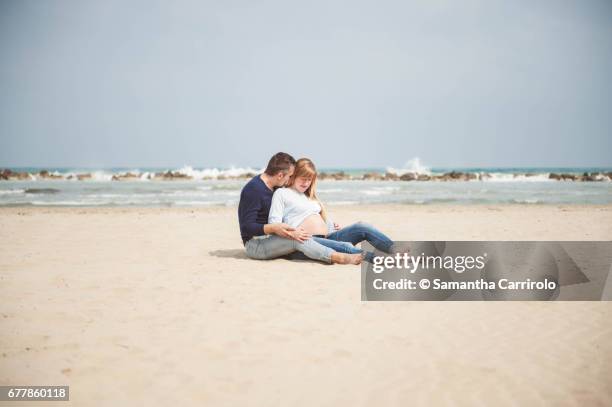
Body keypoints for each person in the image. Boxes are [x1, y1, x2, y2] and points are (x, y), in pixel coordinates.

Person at [238, 152, 363, 265]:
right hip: (255, 245)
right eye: (290, 176)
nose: (290, 180)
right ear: (280, 175)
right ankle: (337, 257)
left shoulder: (275, 186)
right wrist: (274, 227)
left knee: (299, 236)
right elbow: (247, 227)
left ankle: (350, 250)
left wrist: (328, 224)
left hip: (274, 239)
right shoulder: (253, 190)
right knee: (296, 238)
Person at [268, 158, 400, 263]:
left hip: (327, 237)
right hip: (306, 242)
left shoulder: (309, 196)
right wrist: (293, 232)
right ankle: (385, 261)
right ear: (293, 176)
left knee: (362, 227)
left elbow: (316, 218)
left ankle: (396, 250)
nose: (306, 183)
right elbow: (275, 224)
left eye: (309, 179)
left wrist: (330, 226)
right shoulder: (282, 193)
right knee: (346, 247)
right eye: (303, 178)